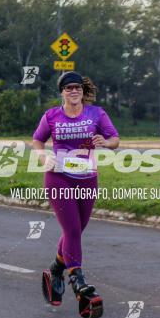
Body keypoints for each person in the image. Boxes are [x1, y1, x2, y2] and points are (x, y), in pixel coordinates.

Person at [31, 71, 119, 306]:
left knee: (77, 231)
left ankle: (55, 270)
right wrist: (42, 157)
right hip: (58, 177)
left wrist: (106, 143)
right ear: (61, 92)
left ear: (82, 91)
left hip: (88, 178)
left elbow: (115, 139)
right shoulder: (51, 116)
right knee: (71, 231)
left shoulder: (96, 113)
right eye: (68, 88)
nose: (73, 91)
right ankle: (78, 283)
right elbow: (37, 140)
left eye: (77, 87)